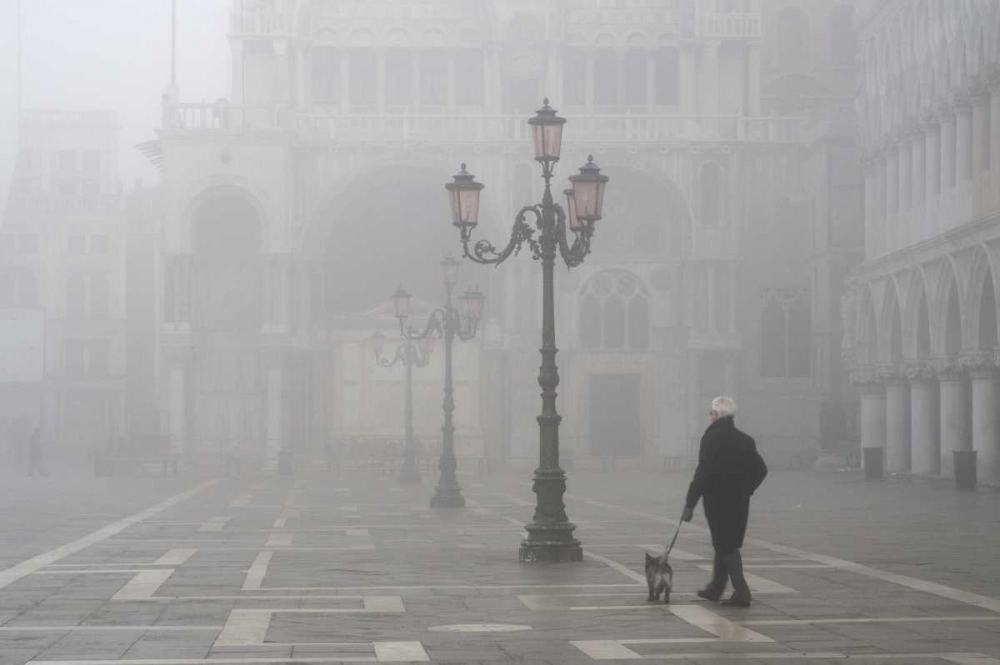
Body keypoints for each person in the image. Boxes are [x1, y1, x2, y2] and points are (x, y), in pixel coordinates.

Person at [681, 396, 767, 607]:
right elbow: (761, 470)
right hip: (739, 502)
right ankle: (715, 588)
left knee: (726, 545)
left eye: (710, 413)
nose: (709, 416)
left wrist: (690, 503)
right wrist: (746, 490)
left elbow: (703, 474)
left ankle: (742, 590)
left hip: (717, 502)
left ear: (716, 415)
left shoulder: (711, 439)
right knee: (725, 543)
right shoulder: (745, 440)